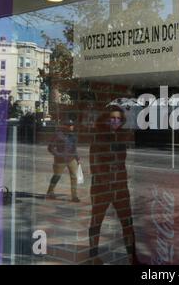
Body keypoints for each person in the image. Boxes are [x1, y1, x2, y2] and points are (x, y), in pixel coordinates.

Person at [88, 105, 138, 265]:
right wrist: (106, 182)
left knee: (127, 222)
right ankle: (93, 256)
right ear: (106, 119)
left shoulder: (121, 137)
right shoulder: (99, 137)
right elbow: (94, 165)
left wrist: (123, 180)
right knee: (97, 220)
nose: (116, 121)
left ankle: (133, 258)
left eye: (118, 119)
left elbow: (121, 163)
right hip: (102, 187)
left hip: (120, 186)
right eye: (112, 118)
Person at [46, 118, 80, 202]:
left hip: (71, 159)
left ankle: (74, 196)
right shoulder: (58, 135)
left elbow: (74, 148)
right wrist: (58, 155)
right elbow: (50, 148)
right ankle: (50, 191)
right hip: (60, 160)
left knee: (74, 177)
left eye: (72, 125)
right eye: (69, 125)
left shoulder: (73, 135)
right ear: (65, 126)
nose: (71, 127)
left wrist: (77, 157)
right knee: (57, 176)